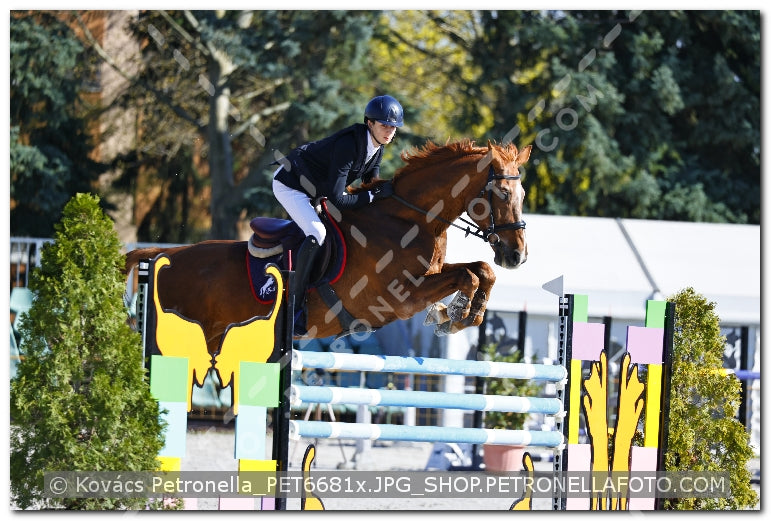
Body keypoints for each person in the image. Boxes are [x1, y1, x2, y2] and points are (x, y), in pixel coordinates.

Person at [272, 94, 404, 306]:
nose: (390, 131)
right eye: (385, 125)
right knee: (318, 232)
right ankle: (294, 296)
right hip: (290, 185)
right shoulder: (348, 145)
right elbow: (338, 201)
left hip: (315, 189)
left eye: (394, 127)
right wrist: (372, 195)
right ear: (369, 123)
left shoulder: (376, 148)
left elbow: (372, 186)